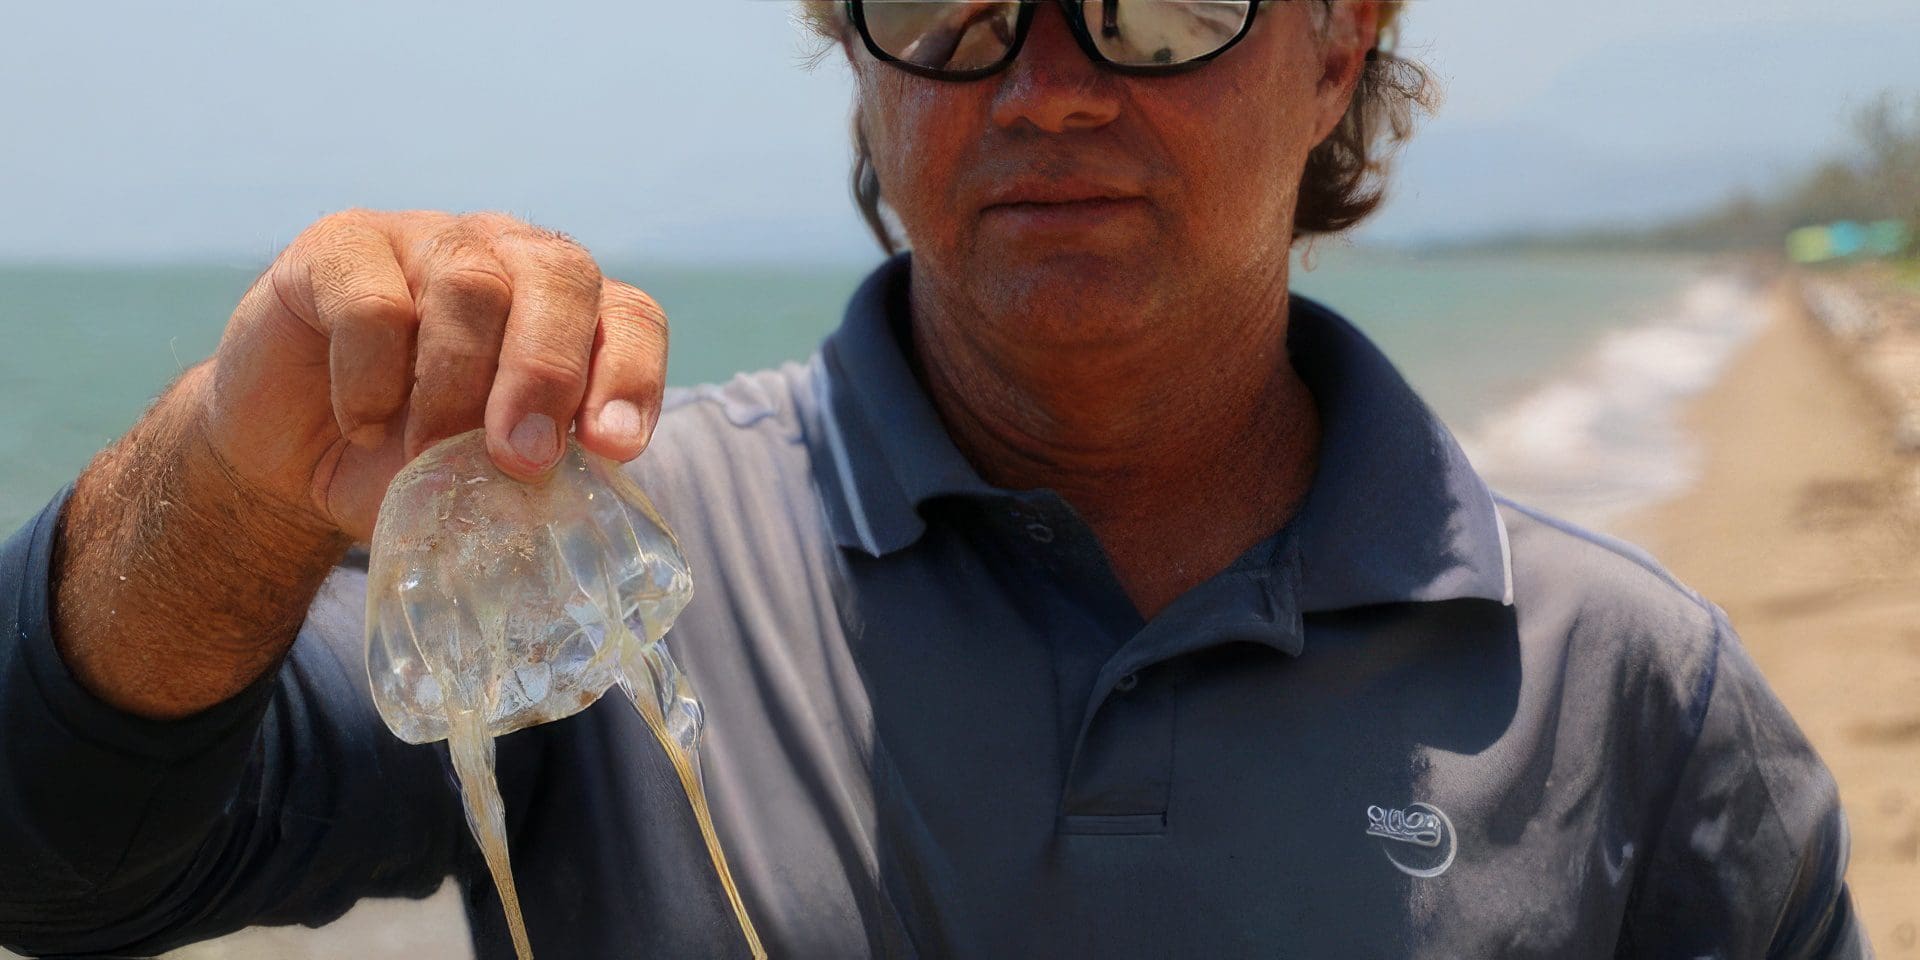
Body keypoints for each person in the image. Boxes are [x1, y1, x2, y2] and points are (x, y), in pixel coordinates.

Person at [0, 1, 1872, 957]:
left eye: (1159, 5)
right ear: (857, 56)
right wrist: (234, 485)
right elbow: (57, 859)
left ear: (1337, 41)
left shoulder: (1631, 703)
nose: (1048, 81)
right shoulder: (609, 557)